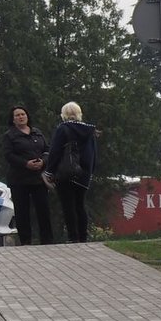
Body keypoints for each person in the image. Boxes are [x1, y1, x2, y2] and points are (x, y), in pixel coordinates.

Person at [45, 101, 98, 244]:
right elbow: (94, 153)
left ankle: (73, 237)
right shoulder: (90, 131)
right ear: (79, 113)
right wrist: (90, 172)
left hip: (65, 173)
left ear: (64, 115)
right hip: (84, 174)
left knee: (68, 206)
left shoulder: (63, 129)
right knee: (80, 205)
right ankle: (83, 237)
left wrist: (49, 171)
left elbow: (55, 151)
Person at [1, 105, 54, 246]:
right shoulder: (9, 136)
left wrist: (43, 161)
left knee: (43, 210)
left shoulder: (37, 133)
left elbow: (47, 150)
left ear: (27, 116)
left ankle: (47, 240)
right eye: (17, 115)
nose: (21, 117)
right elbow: (8, 155)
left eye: (23, 114)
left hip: (39, 179)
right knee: (22, 212)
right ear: (13, 119)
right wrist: (25, 164)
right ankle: (26, 242)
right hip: (19, 180)